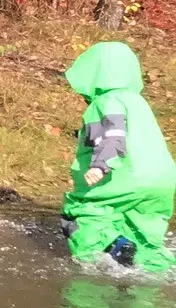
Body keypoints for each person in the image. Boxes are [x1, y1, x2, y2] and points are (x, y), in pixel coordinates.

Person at [62, 40, 176, 271]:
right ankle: (156, 270)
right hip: (161, 181)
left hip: (123, 178)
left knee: (83, 216)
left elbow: (113, 134)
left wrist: (100, 165)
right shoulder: (138, 102)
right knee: (145, 230)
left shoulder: (105, 102)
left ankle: (110, 247)